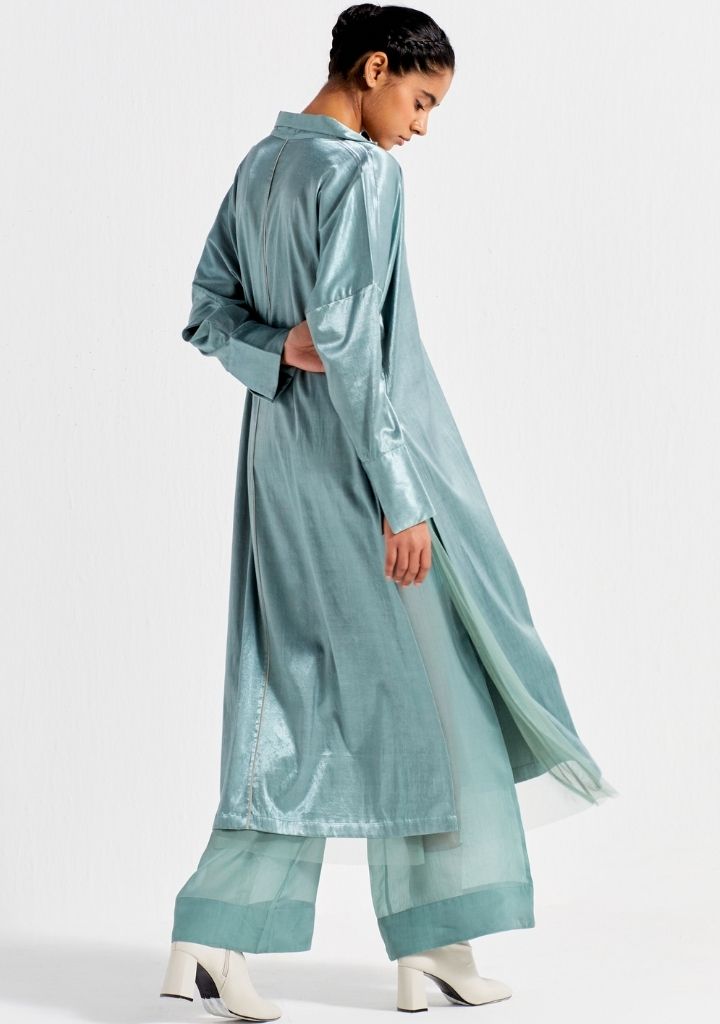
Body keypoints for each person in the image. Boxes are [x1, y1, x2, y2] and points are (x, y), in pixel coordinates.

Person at [160, 4, 619, 1019]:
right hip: (361, 472)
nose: (421, 127)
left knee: (303, 692)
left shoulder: (261, 164)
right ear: (373, 70)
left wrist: (273, 348)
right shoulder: (361, 174)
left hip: (278, 468)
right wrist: (401, 501)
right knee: (434, 694)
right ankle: (393, 938)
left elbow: (207, 309)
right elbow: (353, 346)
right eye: (421, 101)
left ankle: (318, 940)